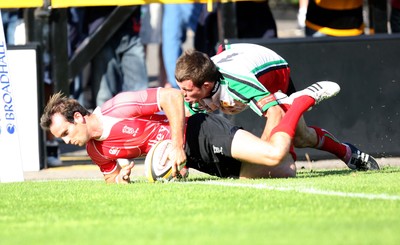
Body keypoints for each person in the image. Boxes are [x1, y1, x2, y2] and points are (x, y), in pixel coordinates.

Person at [40, 82, 341, 184]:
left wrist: (176, 145)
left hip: (200, 132)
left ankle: (300, 102)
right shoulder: (96, 150)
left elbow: (172, 97)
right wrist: (122, 179)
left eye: (66, 133)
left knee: (274, 153)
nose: (68, 142)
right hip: (192, 160)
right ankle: (291, 125)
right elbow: (111, 179)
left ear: (78, 117)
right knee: (286, 170)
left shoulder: (120, 106)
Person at [174, 43, 380, 172]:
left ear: (207, 86)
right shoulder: (198, 87)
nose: (182, 95)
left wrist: (261, 154)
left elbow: (274, 112)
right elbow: (190, 126)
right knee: (297, 139)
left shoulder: (236, 85)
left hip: (275, 72)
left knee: (297, 139)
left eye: (186, 90)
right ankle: (345, 150)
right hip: (241, 56)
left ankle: (347, 152)